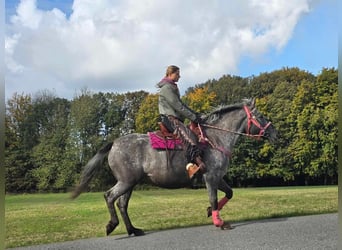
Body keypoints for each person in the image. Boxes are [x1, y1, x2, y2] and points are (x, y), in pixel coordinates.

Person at [156, 65, 206, 179]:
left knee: (191, 135)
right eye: (177, 74)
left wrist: (195, 114)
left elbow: (182, 105)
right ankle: (191, 166)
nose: (179, 76)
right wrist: (193, 117)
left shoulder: (171, 87)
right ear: (170, 74)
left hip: (173, 118)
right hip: (169, 118)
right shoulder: (167, 88)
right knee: (188, 137)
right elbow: (178, 106)